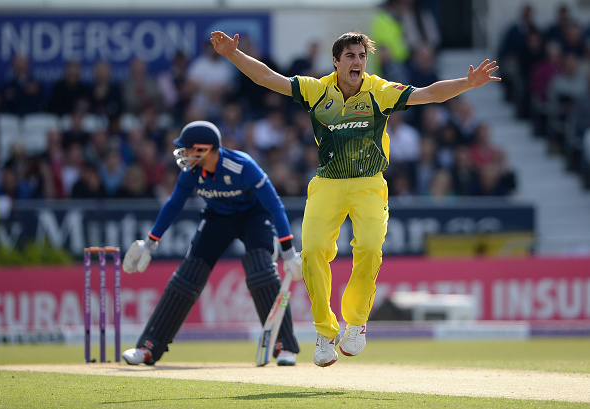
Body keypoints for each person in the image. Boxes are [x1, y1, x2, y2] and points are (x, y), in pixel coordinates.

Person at [210, 29, 500, 367]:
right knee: (314, 251)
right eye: (350, 56)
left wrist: (466, 84)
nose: (358, 62)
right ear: (336, 61)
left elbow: (430, 94)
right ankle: (324, 331)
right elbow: (265, 77)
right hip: (328, 183)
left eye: (361, 56)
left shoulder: (379, 91)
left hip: (368, 184)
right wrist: (233, 54)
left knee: (370, 248)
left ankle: (357, 323)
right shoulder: (317, 90)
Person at [121, 121, 303, 366]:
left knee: (261, 270)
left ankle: (284, 347)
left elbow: (274, 205)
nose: (182, 154)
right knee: (187, 276)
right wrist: (150, 243)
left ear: (203, 149)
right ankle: (148, 348)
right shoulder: (192, 172)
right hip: (217, 218)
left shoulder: (242, 165)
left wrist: (288, 251)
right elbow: (174, 204)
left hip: (253, 217)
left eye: (186, 149)